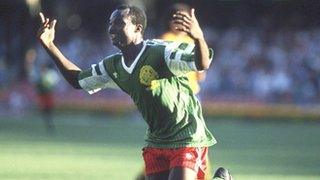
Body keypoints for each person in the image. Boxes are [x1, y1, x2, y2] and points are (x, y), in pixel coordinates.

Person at [37, 4, 216, 180]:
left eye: (119, 23)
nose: (111, 29)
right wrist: (49, 45)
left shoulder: (162, 52)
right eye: (110, 23)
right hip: (156, 141)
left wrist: (199, 37)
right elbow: (78, 81)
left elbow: (202, 64)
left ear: (138, 28)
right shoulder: (112, 66)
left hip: (187, 136)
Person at [26, 57, 59, 133]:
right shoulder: (41, 74)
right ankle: (49, 125)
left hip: (47, 95)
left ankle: (50, 125)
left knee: (48, 111)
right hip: (43, 95)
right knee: (45, 111)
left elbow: (52, 84)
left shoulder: (49, 74)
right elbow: (35, 82)